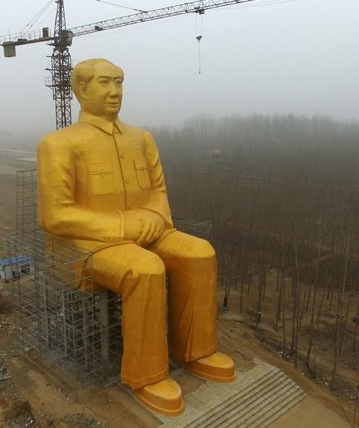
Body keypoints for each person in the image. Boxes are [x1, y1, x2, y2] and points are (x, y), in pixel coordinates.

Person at [37, 58, 234, 417]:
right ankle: (146, 375)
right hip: (86, 246)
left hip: (149, 232)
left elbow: (159, 192)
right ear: (80, 89)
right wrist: (124, 226)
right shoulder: (58, 144)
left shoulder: (142, 139)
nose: (114, 91)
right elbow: (55, 215)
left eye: (119, 82)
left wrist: (156, 217)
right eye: (104, 83)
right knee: (145, 269)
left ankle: (196, 351)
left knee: (199, 253)